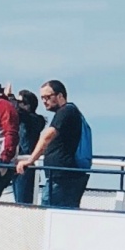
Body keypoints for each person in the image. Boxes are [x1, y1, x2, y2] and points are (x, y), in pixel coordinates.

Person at [17, 79, 90, 207]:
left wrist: (30, 160)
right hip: (61, 177)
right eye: (42, 98)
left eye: (47, 97)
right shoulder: (68, 113)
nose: (44, 101)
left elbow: (47, 137)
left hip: (62, 178)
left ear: (60, 96)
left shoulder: (66, 111)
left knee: (49, 213)